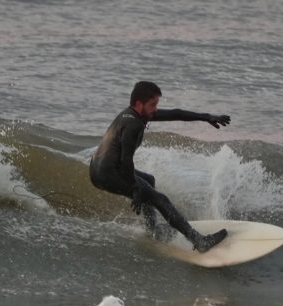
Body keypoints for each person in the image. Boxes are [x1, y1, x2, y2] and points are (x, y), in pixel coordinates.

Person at [89, 81, 230, 252]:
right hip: (107, 173)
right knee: (160, 199)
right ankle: (198, 241)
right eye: (152, 105)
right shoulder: (133, 125)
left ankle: (152, 229)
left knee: (149, 180)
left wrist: (206, 117)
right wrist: (135, 189)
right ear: (139, 104)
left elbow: (176, 113)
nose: (155, 109)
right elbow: (127, 161)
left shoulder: (136, 115)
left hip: (103, 167)